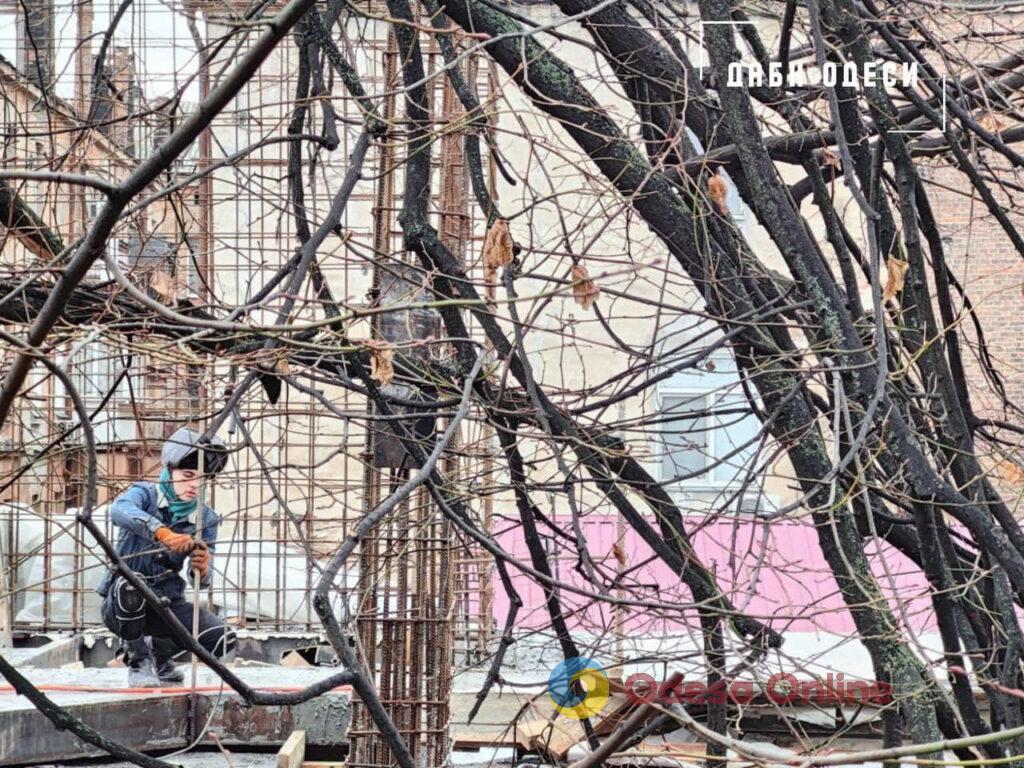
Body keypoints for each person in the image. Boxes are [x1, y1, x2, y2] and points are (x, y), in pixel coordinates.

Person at [97, 427, 236, 687]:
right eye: (187, 475)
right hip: (121, 603)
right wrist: (161, 532)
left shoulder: (205, 518)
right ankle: (138, 659)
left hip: (166, 604)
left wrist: (202, 569)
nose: (195, 485)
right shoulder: (145, 495)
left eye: (203, 479)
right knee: (131, 584)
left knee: (221, 638)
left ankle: (159, 658)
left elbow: (200, 582)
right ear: (170, 470)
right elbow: (119, 510)